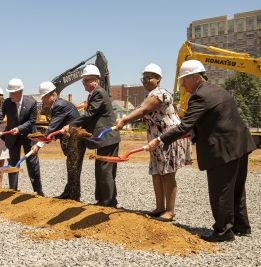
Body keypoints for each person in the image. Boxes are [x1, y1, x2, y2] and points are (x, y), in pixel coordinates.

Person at [148, 60, 256, 242]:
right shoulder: (218, 90)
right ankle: (241, 226)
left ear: (195, 78)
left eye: (184, 80)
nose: (182, 84)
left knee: (220, 191)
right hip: (241, 144)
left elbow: (185, 126)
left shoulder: (200, 96)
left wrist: (159, 140)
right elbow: (213, 120)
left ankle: (223, 232)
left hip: (223, 149)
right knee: (236, 189)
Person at [114, 63, 192, 221]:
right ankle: (159, 207)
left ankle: (170, 211)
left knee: (167, 173)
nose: (145, 80)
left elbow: (143, 110)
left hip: (168, 138)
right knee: (156, 172)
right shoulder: (149, 95)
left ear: (158, 79)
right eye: (143, 78)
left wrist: (124, 119)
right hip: (155, 140)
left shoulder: (160, 94)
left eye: (149, 77)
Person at [64, 65, 121, 207]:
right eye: (83, 81)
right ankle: (103, 200)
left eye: (86, 81)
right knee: (101, 169)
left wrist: (71, 126)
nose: (83, 84)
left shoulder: (99, 93)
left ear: (95, 80)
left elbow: (89, 115)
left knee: (105, 170)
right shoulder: (93, 94)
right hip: (104, 138)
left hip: (108, 137)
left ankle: (108, 202)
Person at [0, 78, 43, 195]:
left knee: (32, 164)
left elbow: (32, 121)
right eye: (9, 92)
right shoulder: (7, 103)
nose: (10, 95)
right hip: (13, 138)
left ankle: (38, 191)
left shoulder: (31, 103)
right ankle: (13, 190)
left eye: (12, 92)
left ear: (20, 92)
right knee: (13, 164)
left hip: (29, 135)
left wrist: (19, 129)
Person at [31, 81, 81, 200]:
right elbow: (56, 129)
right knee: (71, 167)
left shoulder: (59, 105)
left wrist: (38, 145)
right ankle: (69, 193)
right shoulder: (56, 106)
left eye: (44, 98)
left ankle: (73, 198)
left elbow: (52, 128)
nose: (42, 101)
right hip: (69, 140)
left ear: (52, 95)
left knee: (73, 168)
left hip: (75, 141)